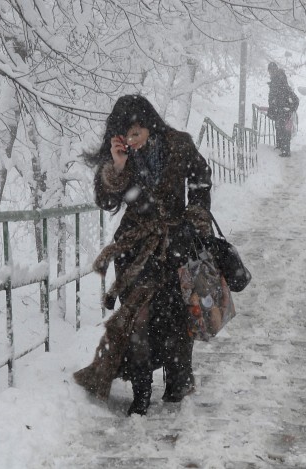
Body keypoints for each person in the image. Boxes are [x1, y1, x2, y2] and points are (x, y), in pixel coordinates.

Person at [74, 95, 213, 416]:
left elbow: (201, 178)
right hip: (136, 247)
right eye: (126, 134)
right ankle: (141, 390)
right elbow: (107, 200)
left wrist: (195, 217)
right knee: (137, 317)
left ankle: (179, 379)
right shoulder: (122, 157)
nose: (132, 139)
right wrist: (118, 166)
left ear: (150, 125)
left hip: (177, 240)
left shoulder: (178, 144)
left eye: (137, 132)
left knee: (178, 315)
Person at [267, 62, 298, 157]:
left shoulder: (279, 80)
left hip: (282, 109)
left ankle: (285, 150)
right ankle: (281, 147)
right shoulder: (277, 79)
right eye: (270, 71)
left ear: (275, 70)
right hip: (280, 109)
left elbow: (281, 94)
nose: (270, 72)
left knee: (283, 129)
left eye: (271, 70)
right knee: (280, 128)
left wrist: (283, 107)